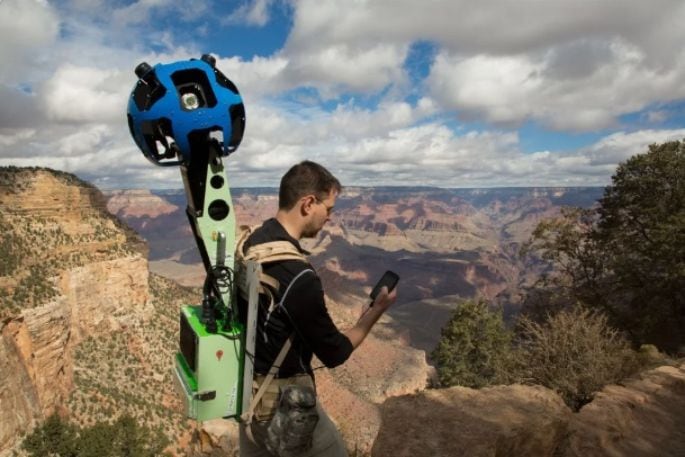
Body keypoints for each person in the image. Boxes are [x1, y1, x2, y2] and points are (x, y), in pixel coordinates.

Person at [238, 160, 397, 457]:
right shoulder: (298, 276)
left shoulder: (252, 241)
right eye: (329, 209)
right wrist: (376, 311)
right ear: (308, 203)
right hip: (282, 408)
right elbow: (334, 352)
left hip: (248, 400)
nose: (330, 218)